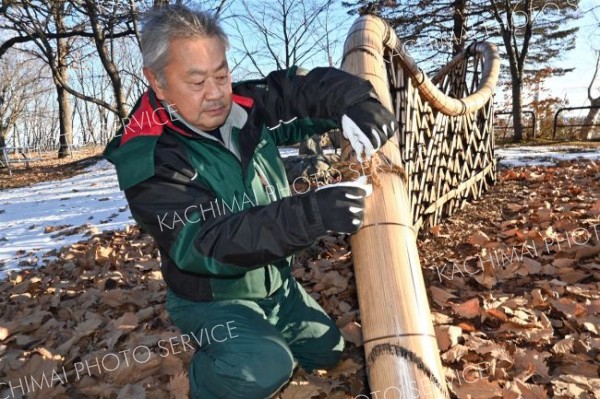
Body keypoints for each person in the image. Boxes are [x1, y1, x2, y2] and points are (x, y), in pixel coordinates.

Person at [104, 4, 396, 399]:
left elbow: (298, 91)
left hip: (275, 281)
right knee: (263, 368)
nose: (215, 94)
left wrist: (356, 101)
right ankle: (207, 380)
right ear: (156, 81)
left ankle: (265, 329)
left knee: (327, 352)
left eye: (222, 74)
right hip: (210, 298)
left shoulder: (241, 106)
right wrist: (313, 213)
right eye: (196, 82)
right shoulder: (148, 154)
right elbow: (207, 241)